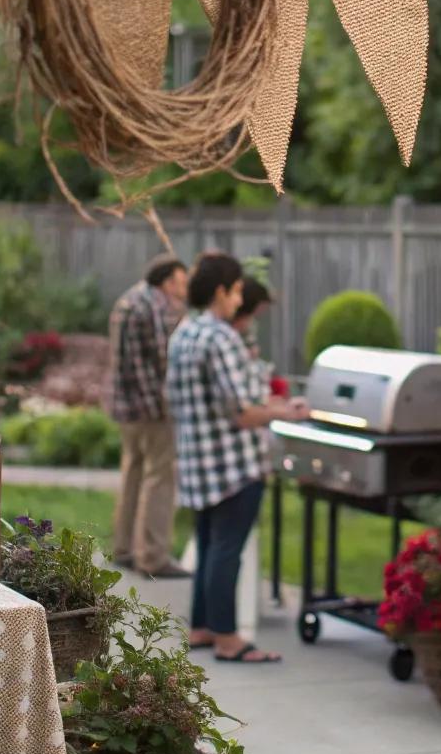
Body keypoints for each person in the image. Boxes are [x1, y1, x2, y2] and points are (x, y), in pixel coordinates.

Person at [167, 253, 306, 664]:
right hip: (233, 465)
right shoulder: (221, 337)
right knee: (228, 550)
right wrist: (286, 411)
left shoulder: (185, 332)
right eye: (238, 290)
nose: (239, 298)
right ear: (221, 291)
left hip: (197, 461)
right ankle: (228, 638)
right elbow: (242, 411)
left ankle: (203, 626)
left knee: (211, 545)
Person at [108, 254, 191, 578]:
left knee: (133, 471)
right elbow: (162, 359)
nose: (184, 289)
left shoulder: (128, 299)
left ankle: (124, 547)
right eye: (182, 282)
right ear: (168, 280)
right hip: (151, 408)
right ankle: (153, 557)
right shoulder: (155, 305)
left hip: (125, 407)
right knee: (160, 477)